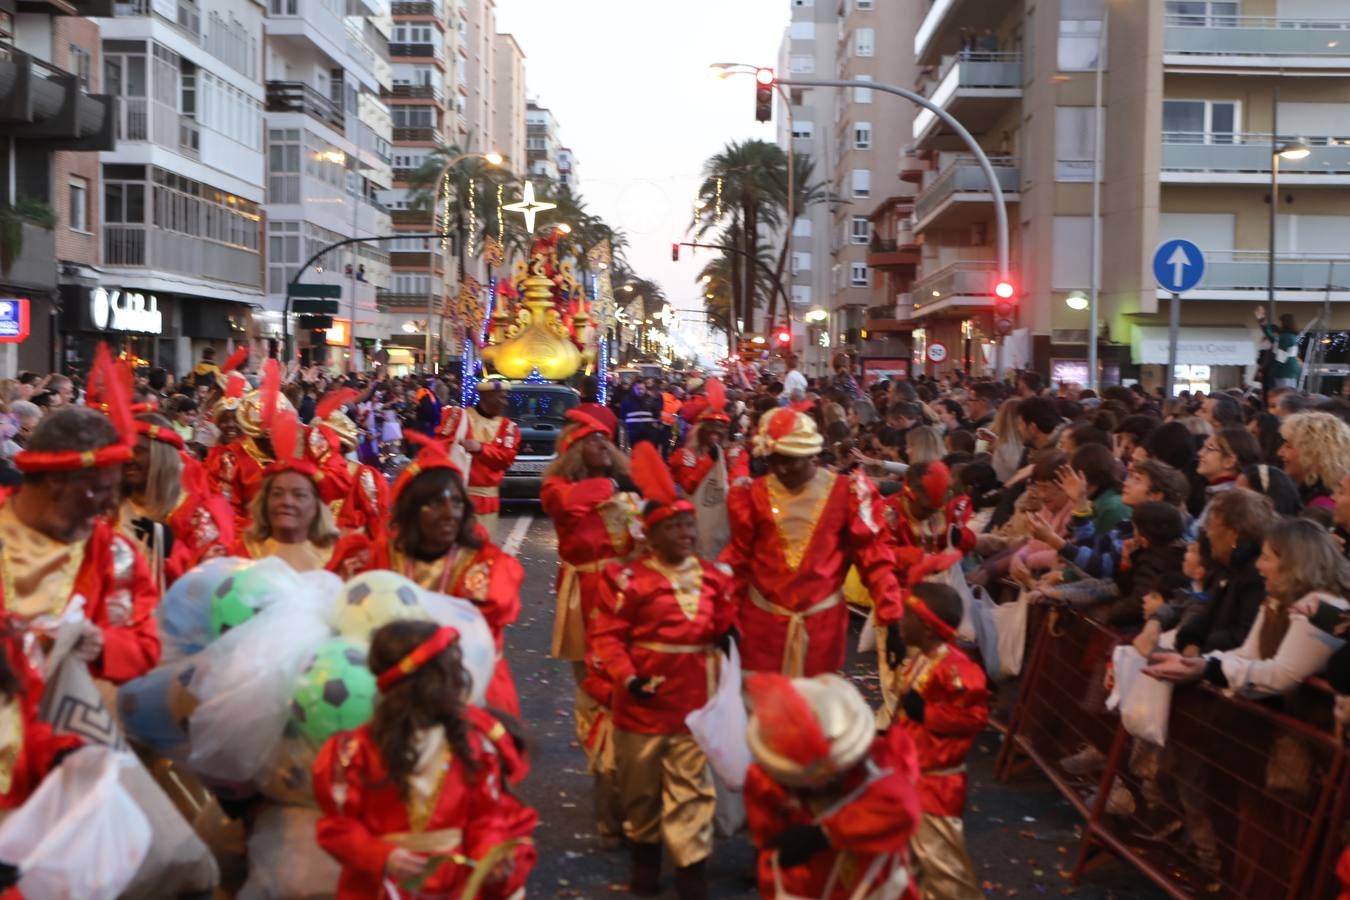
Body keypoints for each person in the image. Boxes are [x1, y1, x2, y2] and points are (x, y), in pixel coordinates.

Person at [591, 443, 737, 899]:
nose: (685, 534)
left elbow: (723, 624)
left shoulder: (715, 578)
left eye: (689, 525)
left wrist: (727, 638)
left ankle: (692, 873)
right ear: (651, 537)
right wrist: (628, 677)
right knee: (641, 791)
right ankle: (645, 868)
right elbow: (608, 637)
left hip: (693, 707)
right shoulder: (627, 581)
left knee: (692, 790)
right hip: (641, 707)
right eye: (674, 527)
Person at [312, 620, 537, 900]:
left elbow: (486, 817)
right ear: (425, 684)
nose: (459, 681)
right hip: (383, 888)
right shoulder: (354, 753)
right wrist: (381, 856)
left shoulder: (471, 745)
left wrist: (489, 852)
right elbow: (337, 829)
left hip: (457, 888)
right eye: (449, 673)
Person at [332, 437, 523, 716]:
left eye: (457, 502)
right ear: (411, 509)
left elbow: (483, 619)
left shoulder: (489, 565)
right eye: (434, 504)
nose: (449, 514)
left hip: (470, 692)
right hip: (396, 688)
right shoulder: (382, 555)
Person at [721, 407, 901, 676]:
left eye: (790, 460)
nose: (781, 469)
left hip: (822, 629)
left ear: (813, 456)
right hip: (762, 627)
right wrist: (722, 617)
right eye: (774, 460)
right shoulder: (752, 494)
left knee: (815, 708)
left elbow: (873, 557)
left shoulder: (847, 492)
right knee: (764, 707)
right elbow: (738, 558)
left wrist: (891, 616)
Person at [3, 403, 160, 684]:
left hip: (61, 720)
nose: (112, 503)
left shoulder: (115, 555)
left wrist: (102, 644)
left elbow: (146, 644)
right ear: (56, 481)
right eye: (100, 489)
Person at [541, 409, 642, 844]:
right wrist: (614, 491)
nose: (602, 445)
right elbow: (565, 504)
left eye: (607, 439)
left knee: (628, 685)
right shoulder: (557, 488)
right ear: (574, 449)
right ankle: (605, 773)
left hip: (623, 593)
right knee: (591, 690)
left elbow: (632, 541)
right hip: (583, 593)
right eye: (592, 440)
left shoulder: (623, 492)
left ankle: (626, 781)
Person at [743, 672, 921, 899]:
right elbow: (767, 834)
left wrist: (825, 833)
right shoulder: (767, 783)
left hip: (873, 883)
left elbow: (903, 808)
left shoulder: (879, 764)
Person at [893, 578, 990, 900]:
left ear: (927, 627)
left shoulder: (957, 668)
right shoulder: (924, 657)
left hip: (935, 787)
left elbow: (974, 716)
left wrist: (926, 713)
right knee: (910, 864)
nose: (899, 622)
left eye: (906, 617)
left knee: (944, 872)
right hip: (912, 778)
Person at [120, 413, 233, 586]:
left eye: (139, 451)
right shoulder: (108, 506)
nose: (129, 458)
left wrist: (171, 549)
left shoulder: (195, 514)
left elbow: (215, 583)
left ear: (162, 456)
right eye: (124, 449)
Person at [228, 411, 344, 573]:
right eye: (277, 493)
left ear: (316, 505)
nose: (287, 502)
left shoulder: (339, 558)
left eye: (299, 495)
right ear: (263, 501)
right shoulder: (242, 554)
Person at [669, 379, 749, 559]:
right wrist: (709, 460)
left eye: (721, 428)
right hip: (694, 527)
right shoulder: (686, 455)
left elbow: (738, 482)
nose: (716, 432)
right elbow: (689, 484)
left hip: (727, 527)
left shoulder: (735, 453)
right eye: (711, 427)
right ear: (700, 430)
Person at [437, 379, 521, 539]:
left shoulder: (509, 428)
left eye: (506, 397)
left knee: (481, 553)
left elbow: (506, 458)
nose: (505, 402)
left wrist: (481, 448)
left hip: (487, 503)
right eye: (501, 397)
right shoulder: (458, 418)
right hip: (456, 498)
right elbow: (438, 449)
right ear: (486, 396)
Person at [1278, 411, 1350, 516]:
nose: (1279, 452)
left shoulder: (1321, 507)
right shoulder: (1307, 494)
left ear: (1313, 454)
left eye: (1289, 446)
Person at [1256, 305, 1302, 389]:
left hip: (1283, 371)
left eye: (1281, 322)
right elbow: (1272, 338)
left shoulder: (1285, 337)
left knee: (1283, 394)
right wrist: (1262, 321)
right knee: (1289, 393)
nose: (1280, 325)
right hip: (1290, 371)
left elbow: (1281, 357)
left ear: (1285, 323)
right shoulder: (1291, 336)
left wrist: (1271, 372)